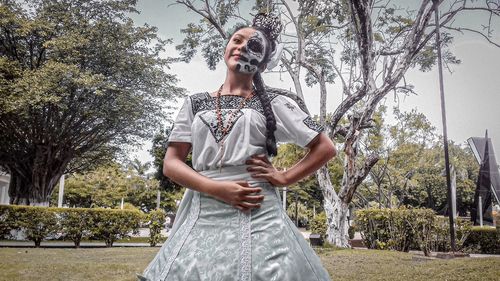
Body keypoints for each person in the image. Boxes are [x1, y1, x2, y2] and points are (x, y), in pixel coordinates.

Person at [138, 13, 337, 281]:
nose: (243, 47)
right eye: (237, 40)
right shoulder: (194, 104)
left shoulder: (276, 103)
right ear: (226, 48)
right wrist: (217, 188)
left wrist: (285, 176)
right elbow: (171, 164)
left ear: (263, 64)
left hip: (257, 211)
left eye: (254, 46)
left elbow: (325, 147)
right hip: (204, 211)